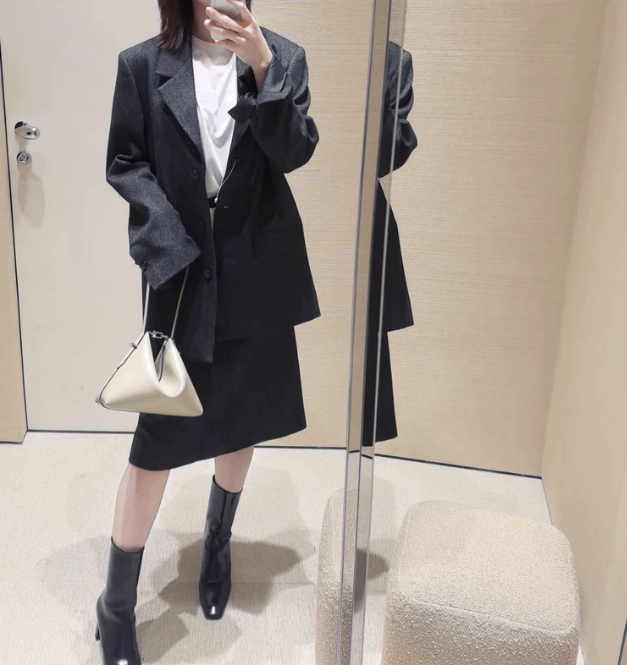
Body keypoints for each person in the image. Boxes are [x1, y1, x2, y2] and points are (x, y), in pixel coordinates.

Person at [95, 1, 320, 663]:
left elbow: (295, 151)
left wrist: (263, 68)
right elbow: (126, 162)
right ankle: (115, 604)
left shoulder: (282, 57)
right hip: (183, 274)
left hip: (257, 270)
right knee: (156, 443)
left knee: (241, 420)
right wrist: (167, 244)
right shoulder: (143, 65)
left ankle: (216, 547)